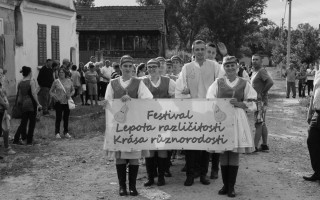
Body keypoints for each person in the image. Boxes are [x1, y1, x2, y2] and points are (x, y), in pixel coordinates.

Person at [206, 56, 257, 197]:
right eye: (227, 65)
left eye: (232, 65)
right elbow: (209, 99)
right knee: (224, 151)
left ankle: (231, 187)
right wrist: (219, 104)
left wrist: (240, 104)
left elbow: (253, 102)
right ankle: (224, 185)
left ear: (237, 66)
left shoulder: (243, 83)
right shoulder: (218, 82)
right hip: (222, 119)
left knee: (233, 152)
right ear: (223, 67)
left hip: (237, 118)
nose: (230, 68)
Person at [175, 40, 223, 187]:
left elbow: (222, 83)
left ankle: (203, 174)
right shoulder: (187, 67)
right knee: (190, 145)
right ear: (193, 52)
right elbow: (180, 88)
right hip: (192, 111)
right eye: (197, 49)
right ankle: (190, 174)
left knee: (205, 144)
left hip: (208, 110)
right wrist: (185, 92)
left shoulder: (214, 66)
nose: (200, 52)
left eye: (203, 49)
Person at [104, 55, 153, 196]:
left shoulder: (138, 83)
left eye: (130, 66)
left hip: (134, 124)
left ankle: (132, 186)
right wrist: (118, 101)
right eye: (125, 66)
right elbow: (108, 102)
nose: (127, 69)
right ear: (120, 67)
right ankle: (122, 186)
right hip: (118, 125)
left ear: (133, 68)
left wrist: (132, 100)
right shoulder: (113, 83)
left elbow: (147, 99)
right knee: (120, 156)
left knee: (133, 155)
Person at [143, 59, 176, 187]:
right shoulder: (142, 82)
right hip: (148, 120)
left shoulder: (169, 81)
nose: (152, 69)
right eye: (149, 67)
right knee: (150, 148)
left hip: (164, 119)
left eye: (154, 67)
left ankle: (161, 177)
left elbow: (176, 97)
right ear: (147, 68)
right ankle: (151, 177)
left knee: (162, 148)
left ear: (159, 67)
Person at [13, 66, 42, 145]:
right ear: (29, 72)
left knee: (23, 122)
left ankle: (17, 138)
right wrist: (38, 103)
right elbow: (33, 93)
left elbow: (19, 95)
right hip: (31, 103)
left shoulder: (20, 82)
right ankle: (29, 140)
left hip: (24, 104)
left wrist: (20, 104)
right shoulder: (31, 81)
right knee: (32, 122)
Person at [251, 54, 274, 152]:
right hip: (257, 101)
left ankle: (254, 147)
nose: (254, 61)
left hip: (260, 101)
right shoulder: (255, 71)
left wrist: (262, 92)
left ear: (261, 61)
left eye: (256, 59)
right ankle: (264, 145)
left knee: (258, 123)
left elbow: (270, 82)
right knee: (262, 123)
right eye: (253, 59)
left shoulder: (261, 71)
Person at [304, 70, 320, 182]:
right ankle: (318, 172)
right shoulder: (318, 72)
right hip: (317, 113)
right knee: (312, 141)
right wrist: (309, 111)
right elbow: (314, 93)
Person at [49, 67, 75, 139]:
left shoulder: (69, 81)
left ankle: (66, 132)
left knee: (66, 117)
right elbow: (50, 91)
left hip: (67, 101)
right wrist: (55, 97)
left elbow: (73, 90)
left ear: (65, 73)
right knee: (58, 117)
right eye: (59, 72)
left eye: (62, 72)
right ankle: (57, 132)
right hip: (59, 102)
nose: (61, 73)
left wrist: (70, 94)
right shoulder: (56, 81)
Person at [0, 81, 15, 154]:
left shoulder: (2, 86)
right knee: (5, 129)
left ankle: (7, 147)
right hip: (1, 109)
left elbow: (4, 96)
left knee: (5, 128)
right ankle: (7, 148)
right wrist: (5, 104)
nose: (1, 75)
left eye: (2, 74)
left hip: (2, 110)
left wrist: (6, 103)